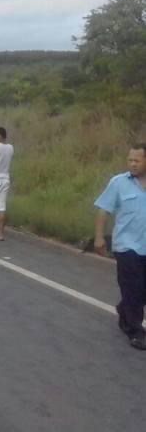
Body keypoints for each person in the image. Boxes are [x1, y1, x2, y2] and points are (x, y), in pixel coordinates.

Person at [94, 144, 146, 350]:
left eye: (138, 160)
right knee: (133, 287)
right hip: (126, 246)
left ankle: (125, 309)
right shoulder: (118, 183)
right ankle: (135, 330)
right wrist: (99, 238)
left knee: (141, 290)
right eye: (130, 160)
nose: (132, 164)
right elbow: (103, 210)